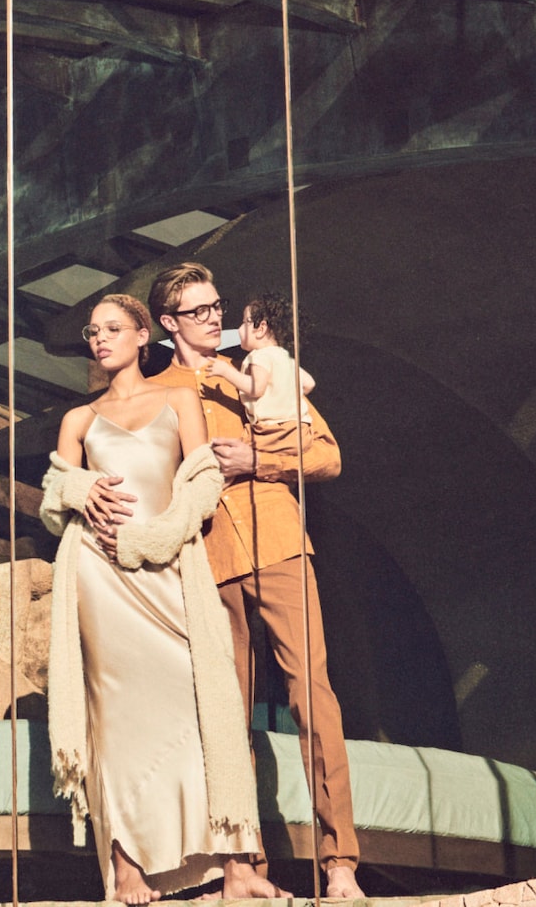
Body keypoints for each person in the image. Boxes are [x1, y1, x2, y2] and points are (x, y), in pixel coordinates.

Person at [38, 293, 274, 903]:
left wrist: (159, 535)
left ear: (145, 335)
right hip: (100, 575)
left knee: (201, 709)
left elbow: (202, 484)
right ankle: (126, 868)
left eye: (113, 328)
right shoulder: (78, 420)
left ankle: (230, 861)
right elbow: (50, 500)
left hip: (168, 571)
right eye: (92, 331)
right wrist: (80, 487)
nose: (100, 339)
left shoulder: (178, 399)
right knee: (115, 720)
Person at [148, 262, 364, 899]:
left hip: (279, 545)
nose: (215, 318)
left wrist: (259, 459)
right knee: (226, 718)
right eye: (199, 311)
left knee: (312, 697)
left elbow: (327, 455)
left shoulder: (261, 372)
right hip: (207, 564)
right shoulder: (159, 387)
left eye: (217, 307)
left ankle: (341, 864)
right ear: (169, 323)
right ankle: (245, 871)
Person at [206, 292, 315, 459]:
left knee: (231, 452)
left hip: (273, 431)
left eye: (244, 323)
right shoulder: (284, 357)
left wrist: (226, 371)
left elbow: (256, 389)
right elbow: (308, 384)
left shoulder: (259, 356)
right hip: (302, 431)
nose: (239, 329)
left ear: (261, 329)